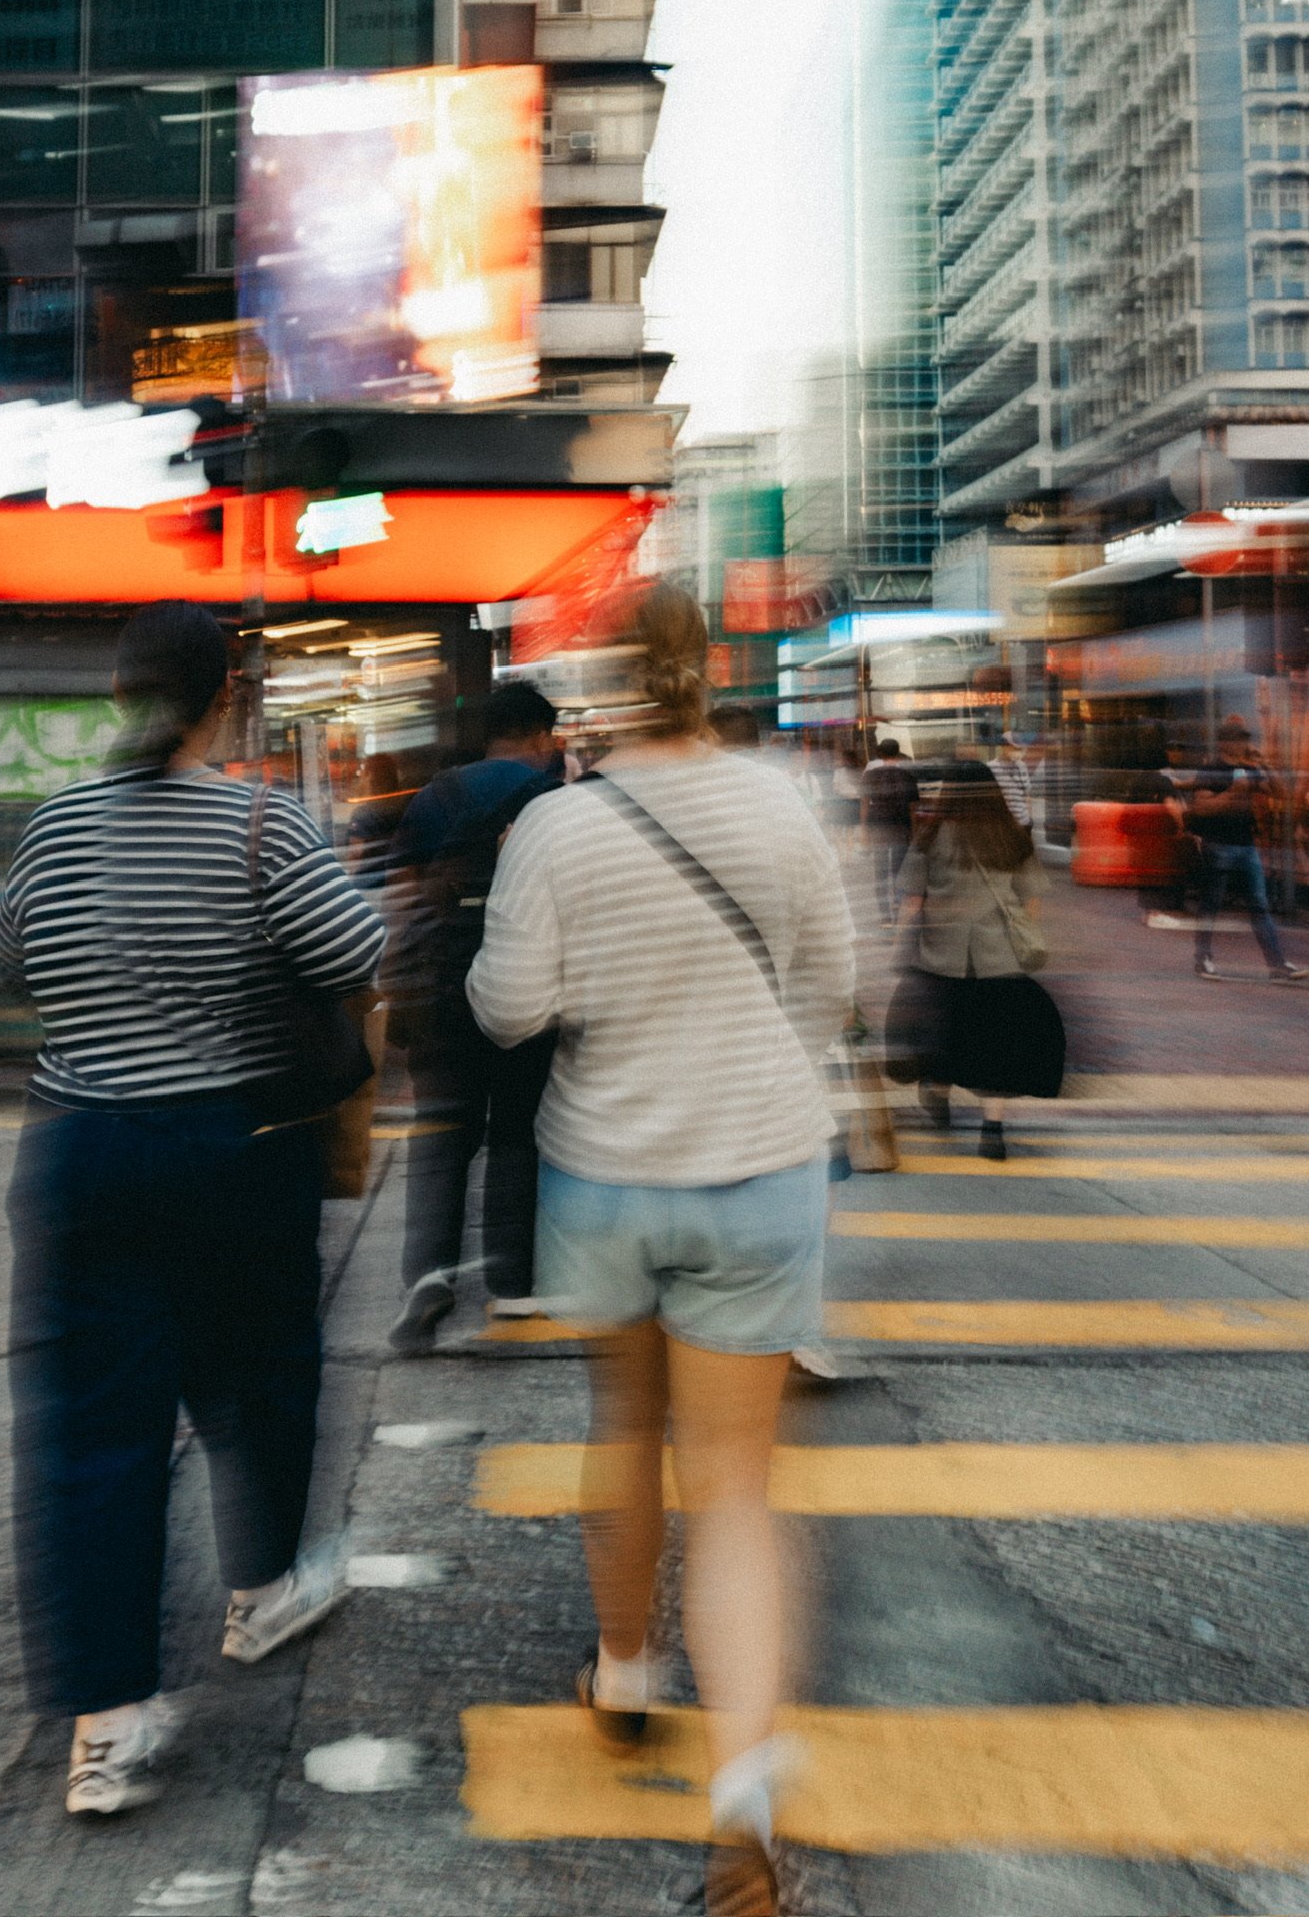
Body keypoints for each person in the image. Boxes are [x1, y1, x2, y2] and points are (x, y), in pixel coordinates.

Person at [467, 584, 855, 1917]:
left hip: (609, 1172)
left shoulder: (556, 826)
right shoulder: (781, 805)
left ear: (609, 691)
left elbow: (510, 1010)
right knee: (737, 1489)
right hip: (760, 1169)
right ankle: (742, 1799)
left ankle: (624, 1671)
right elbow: (829, 985)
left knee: (623, 1427)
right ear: (708, 677)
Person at [0, 601, 385, 1818]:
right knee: (262, 1376)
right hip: (232, 1149)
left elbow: (25, 969)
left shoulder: (51, 829)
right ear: (227, 696)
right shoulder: (262, 822)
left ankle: (107, 1728)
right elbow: (355, 949)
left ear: (120, 693)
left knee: (89, 1432)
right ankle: (264, 1589)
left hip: (79, 1153)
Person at [382, 681, 563, 1354]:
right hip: (524, 986)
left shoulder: (437, 796)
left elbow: (403, 903)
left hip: (442, 994)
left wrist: (402, 991)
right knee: (516, 1136)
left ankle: (427, 1279)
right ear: (542, 735)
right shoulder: (552, 801)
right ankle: (510, 1286)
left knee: (441, 1141)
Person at [884, 764, 1064, 1160]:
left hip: (939, 954)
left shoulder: (930, 837)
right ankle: (992, 1129)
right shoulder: (1013, 837)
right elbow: (1030, 898)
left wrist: (897, 945)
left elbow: (913, 901)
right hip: (999, 959)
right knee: (995, 1041)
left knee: (945, 1030)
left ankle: (936, 1092)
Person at [1181, 717, 1305, 982]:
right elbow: (1202, 807)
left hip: (1246, 846)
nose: (1244, 744)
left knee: (1259, 905)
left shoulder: (1250, 769)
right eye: (1239, 739)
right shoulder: (1212, 769)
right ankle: (1202, 959)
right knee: (1211, 905)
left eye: (1246, 739)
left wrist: (1266, 766)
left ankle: (1277, 964)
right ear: (1225, 742)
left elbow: (1282, 794)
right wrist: (1233, 794)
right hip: (1218, 844)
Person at [859, 739, 919, 928]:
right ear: (898, 753)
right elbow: (913, 808)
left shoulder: (870, 775)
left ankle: (885, 917)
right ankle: (898, 908)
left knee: (881, 872)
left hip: (878, 826)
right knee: (900, 871)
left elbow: (864, 805)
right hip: (901, 827)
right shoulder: (908, 775)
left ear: (880, 754)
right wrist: (914, 832)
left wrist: (865, 831)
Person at [343, 752, 409, 891]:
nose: (359, 778)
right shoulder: (405, 807)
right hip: (400, 883)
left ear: (370, 776)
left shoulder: (363, 814)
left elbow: (356, 854)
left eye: (362, 772)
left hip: (369, 886)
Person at [988, 733, 1035, 831]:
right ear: (1003, 747)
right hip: (1004, 825)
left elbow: (1027, 795)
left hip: (1023, 823)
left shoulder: (1021, 766)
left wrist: (1029, 820)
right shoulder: (991, 768)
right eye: (1014, 748)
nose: (1018, 752)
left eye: (1019, 749)